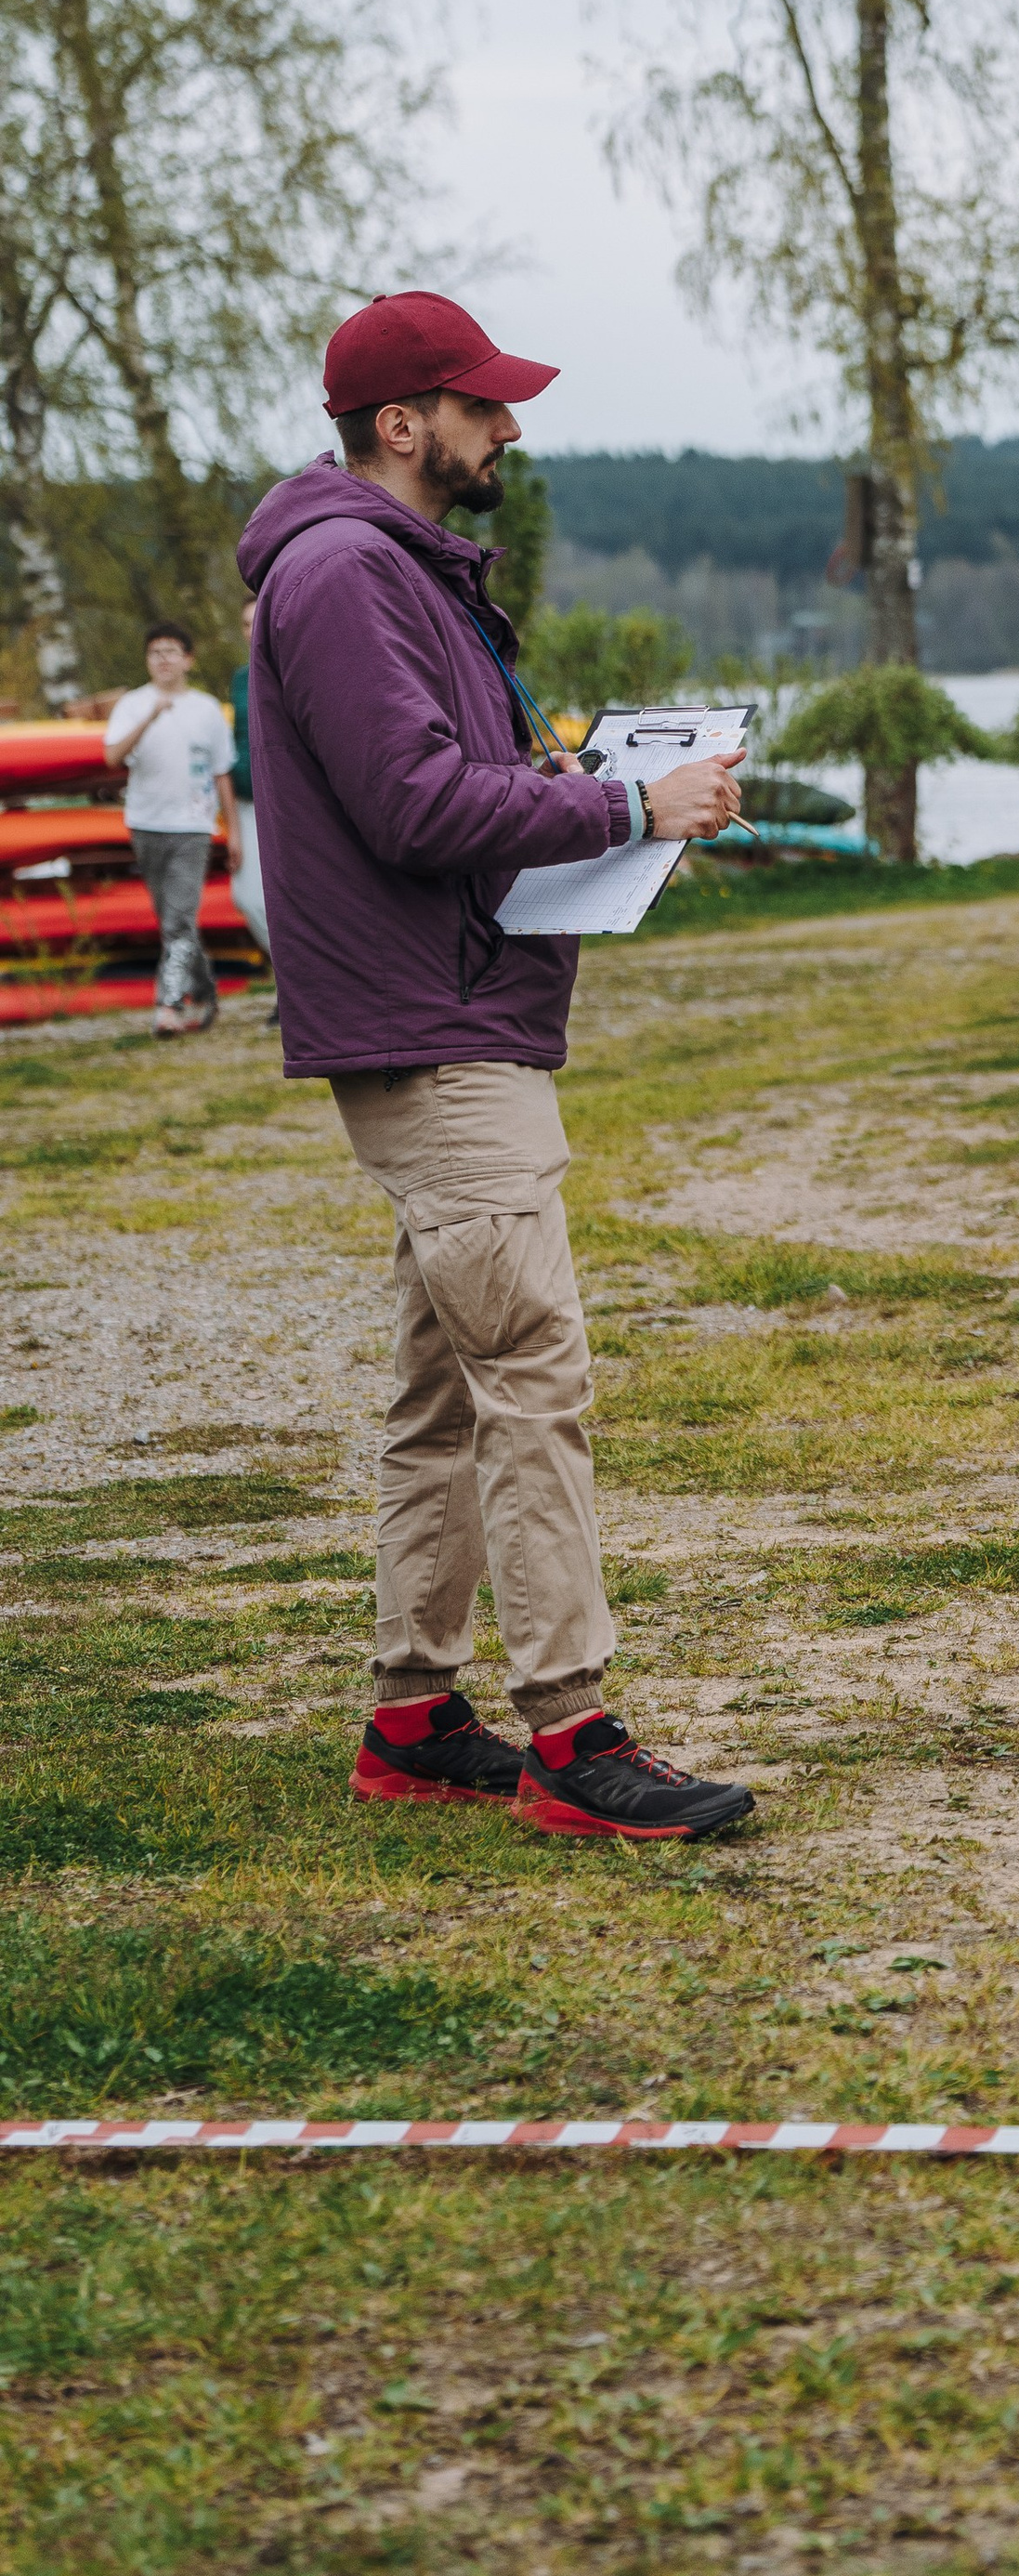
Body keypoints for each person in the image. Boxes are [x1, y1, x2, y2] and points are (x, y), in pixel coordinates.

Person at [237, 288, 757, 1842]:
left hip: (450, 1009)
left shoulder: (397, 571)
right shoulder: (344, 573)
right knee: (532, 1372)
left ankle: (412, 1717)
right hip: (433, 1026)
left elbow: (439, 781)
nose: (510, 427)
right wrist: (624, 808)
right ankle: (573, 1735)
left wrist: (564, 782)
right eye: (483, 404)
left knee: (444, 1391)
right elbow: (412, 808)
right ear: (402, 423)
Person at [105, 624, 235, 1040]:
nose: (163, 659)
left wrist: (233, 832)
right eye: (155, 652)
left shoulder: (207, 709)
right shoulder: (133, 704)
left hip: (192, 826)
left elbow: (222, 773)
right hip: (146, 823)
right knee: (173, 920)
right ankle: (205, 990)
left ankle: (170, 1004)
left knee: (178, 918)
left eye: (171, 651)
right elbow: (113, 756)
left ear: (188, 659)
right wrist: (150, 717)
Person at [227, 595, 271, 981]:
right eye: (245, 623)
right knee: (247, 895)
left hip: (289, 803)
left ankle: (304, 988)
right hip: (247, 802)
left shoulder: (294, 667)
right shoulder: (239, 680)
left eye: (258, 620)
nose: (252, 629)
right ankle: (291, 977)